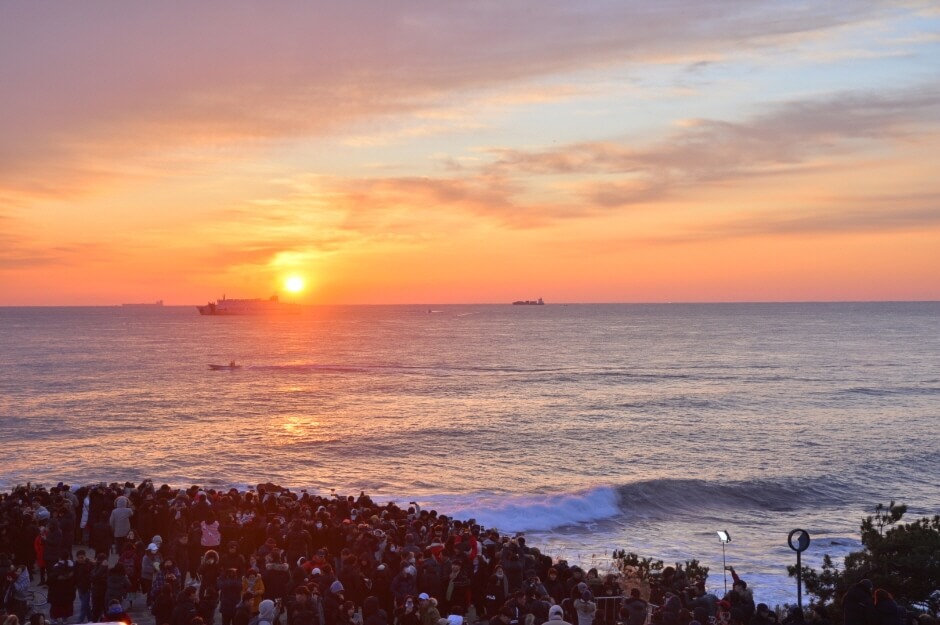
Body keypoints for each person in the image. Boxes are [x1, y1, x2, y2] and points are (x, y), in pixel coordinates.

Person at [47, 558, 76, 625]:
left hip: (56, 595)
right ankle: (64, 620)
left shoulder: (55, 570)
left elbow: (49, 582)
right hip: (65, 595)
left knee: (57, 609)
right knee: (64, 608)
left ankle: (56, 620)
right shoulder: (71, 570)